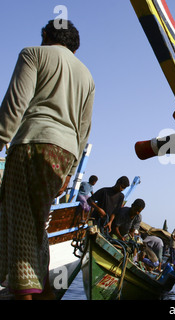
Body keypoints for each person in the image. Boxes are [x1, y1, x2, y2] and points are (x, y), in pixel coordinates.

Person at [0, 19, 95, 300]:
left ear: (45, 35)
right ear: (73, 46)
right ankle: (45, 293)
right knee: (37, 225)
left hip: (32, 143)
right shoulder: (87, 76)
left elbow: (16, 103)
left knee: (19, 224)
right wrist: (70, 172)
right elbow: (84, 128)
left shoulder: (33, 54)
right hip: (63, 155)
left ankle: (25, 294)